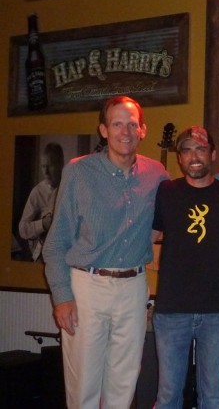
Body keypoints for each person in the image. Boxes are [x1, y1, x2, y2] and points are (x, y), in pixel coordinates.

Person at [43, 96, 170, 408]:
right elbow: (56, 242)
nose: (124, 131)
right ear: (103, 130)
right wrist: (62, 298)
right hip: (87, 288)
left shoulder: (157, 174)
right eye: (117, 124)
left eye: (131, 124)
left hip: (133, 290)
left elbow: (184, 200)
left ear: (142, 130)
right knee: (83, 386)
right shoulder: (78, 173)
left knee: (124, 383)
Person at [151, 126, 219, 409]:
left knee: (212, 397)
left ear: (212, 154)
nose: (194, 156)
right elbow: (150, 236)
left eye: (200, 149)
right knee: (168, 396)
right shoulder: (166, 191)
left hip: (216, 310)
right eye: (186, 150)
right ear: (179, 157)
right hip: (171, 309)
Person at [19, 142, 64, 262]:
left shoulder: (70, 189)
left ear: (61, 165)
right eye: (44, 166)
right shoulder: (37, 192)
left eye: (51, 165)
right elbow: (23, 229)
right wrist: (43, 224)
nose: (46, 172)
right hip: (42, 258)